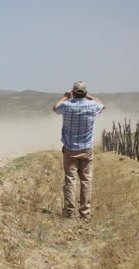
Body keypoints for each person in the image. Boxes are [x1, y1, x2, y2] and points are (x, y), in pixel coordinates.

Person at [53, 81, 105, 220]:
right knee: (86, 181)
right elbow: (102, 104)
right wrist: (90, 97)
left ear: (73, 92)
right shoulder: (92, 105)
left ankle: (69, 212)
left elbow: (55, 108)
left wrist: (65, 97)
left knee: (70, 180)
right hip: (86, 148)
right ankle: (85, 213)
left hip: (70, 148)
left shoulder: (67, 105)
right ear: (85, 93)